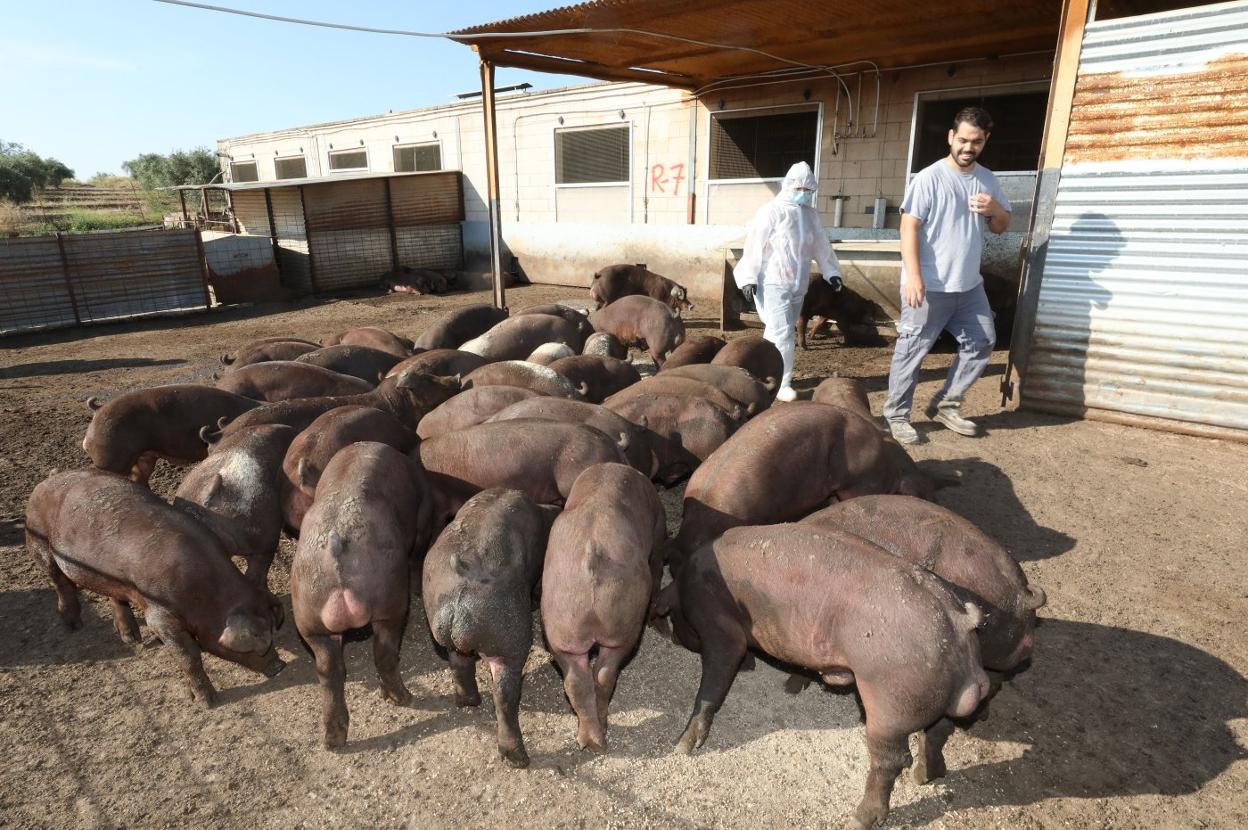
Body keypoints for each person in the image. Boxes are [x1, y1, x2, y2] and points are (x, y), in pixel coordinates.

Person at [882, 106, 1011, 444]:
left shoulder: (987, 179)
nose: (969, 147)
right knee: (913, 350)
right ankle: (896, 415)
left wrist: (995, 210)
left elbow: (1001, 227)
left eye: (977, 142)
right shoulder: (929, 179)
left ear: (985, 142)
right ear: (951, 137)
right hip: (929, 285)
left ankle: (946, 404)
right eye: (964, 140)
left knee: (982, 340)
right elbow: (908, 227)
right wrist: (913, 276)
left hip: (968, 286)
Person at [733, 161, 842, 402]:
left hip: (798, 283)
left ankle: (763, 374)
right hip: (774, 280)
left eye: (808, 190)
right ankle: (781, 383)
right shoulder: (771, 211)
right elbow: (754, 245)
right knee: (783, 334)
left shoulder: (810, 215)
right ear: (789, 185)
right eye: (799, 189)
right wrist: (748, 277)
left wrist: (831, 271)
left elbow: (821, 246)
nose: (804, 194)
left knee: (778, 330)